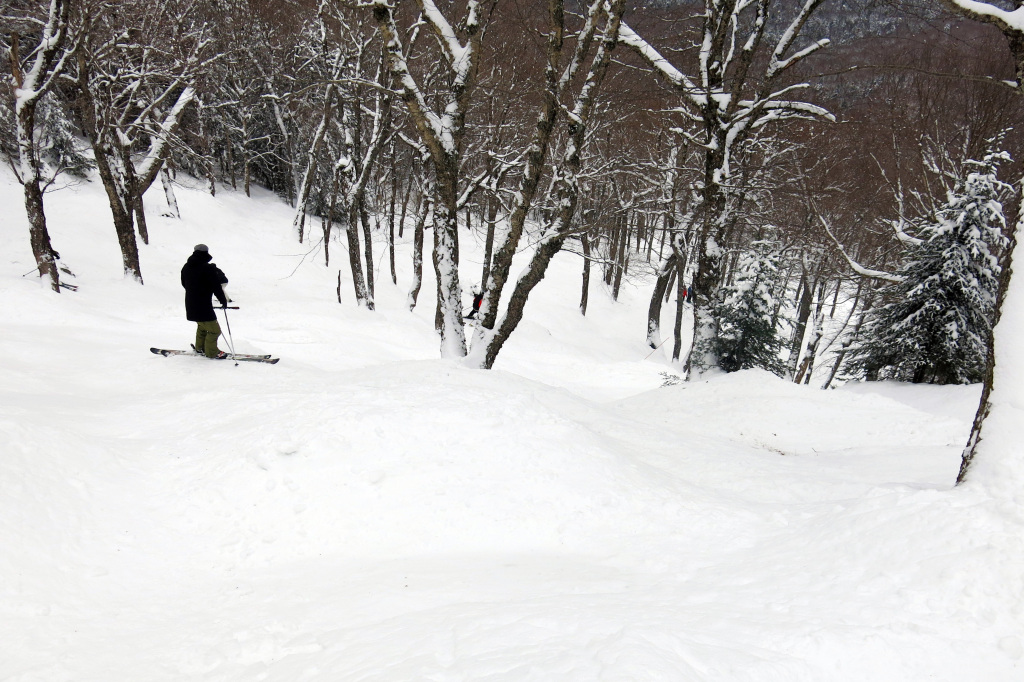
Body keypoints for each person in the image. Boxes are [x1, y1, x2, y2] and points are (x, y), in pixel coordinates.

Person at [181, 244, 229, 359]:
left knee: (202, 326)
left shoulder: (186, 267)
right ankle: (212, 352)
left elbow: (184, 283)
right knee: (214, 331)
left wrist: (194, 291)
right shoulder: (207, 268)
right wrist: (223, 300)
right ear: (206, 253)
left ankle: (200, 348)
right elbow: (216, 286)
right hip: (204, 304)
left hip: (191, 303)